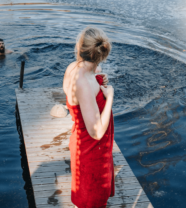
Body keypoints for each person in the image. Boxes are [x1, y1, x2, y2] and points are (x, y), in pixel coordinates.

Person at [63, 26, 114, 208]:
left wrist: (98, 79)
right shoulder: (84, 82)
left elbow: (78, 94)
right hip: (91, 151)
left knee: (85, 200)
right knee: (91, 200)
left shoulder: (73, 68)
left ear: (81, 48)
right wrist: (110, 98)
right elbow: (97, 132)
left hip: (84, 143)